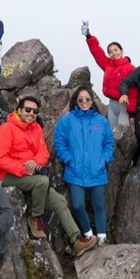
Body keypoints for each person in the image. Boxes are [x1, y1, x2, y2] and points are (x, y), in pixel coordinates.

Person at [0, 96, 98, 256]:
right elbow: (0, 159)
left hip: (32, 176)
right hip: (10, 176)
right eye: (28, 110)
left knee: (60, 201)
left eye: (35, 111)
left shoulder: (36, 129)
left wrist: (35, 162)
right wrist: (23, 169)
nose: (31, 113)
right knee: (42, 181)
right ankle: (35, 218)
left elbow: (43, 153)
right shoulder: (6, 129)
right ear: (19, 110)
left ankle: (76, 240)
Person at [53, 86, 115, 245]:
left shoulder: (101, 121)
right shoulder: (66, 120)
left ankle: (102, 237)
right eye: (81, 99)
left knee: (99, 205)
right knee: (78, 205)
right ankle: (88, 235)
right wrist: (68, 159)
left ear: (92, 101)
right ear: (76, 101)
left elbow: (109, 143)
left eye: (87, 99)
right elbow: (59, 142)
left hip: (97, 171)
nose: (84, 102)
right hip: (75, 172)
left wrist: (104, 159)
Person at [81, 21, 137, 126]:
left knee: (122, 131)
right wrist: (88, 36)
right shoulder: (108, 65)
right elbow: (97, 52)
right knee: (111, 132)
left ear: (122, 51)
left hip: (124, 105)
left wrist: (132, 113)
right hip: (112, 104)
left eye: (116, 50)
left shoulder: (130, 68)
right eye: (110, 52)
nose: (113, 53)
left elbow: (134, 91)